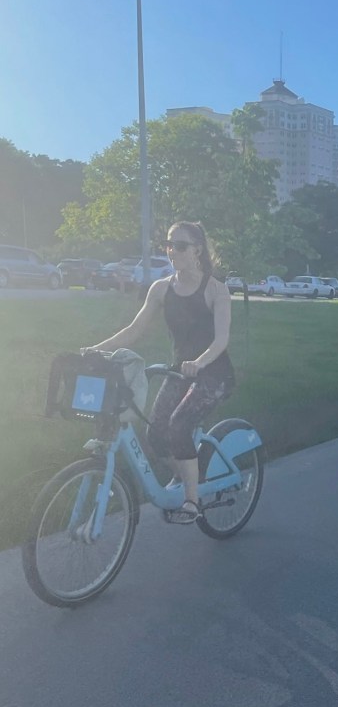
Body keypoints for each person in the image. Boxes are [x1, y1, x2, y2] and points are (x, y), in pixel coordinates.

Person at [85, 221, 235, 524]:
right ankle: (188, 476)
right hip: (181, 371)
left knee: (179, 425)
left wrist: (201, 362)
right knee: (155, 434)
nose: (171, 251)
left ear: (198, 250)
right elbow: (135, 329)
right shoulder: (161, 288)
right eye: (168, 244)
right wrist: (96, 349)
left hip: (213, 373)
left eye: (180, 245)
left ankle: (192, 500)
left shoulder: (216, 290)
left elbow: (221, 340)